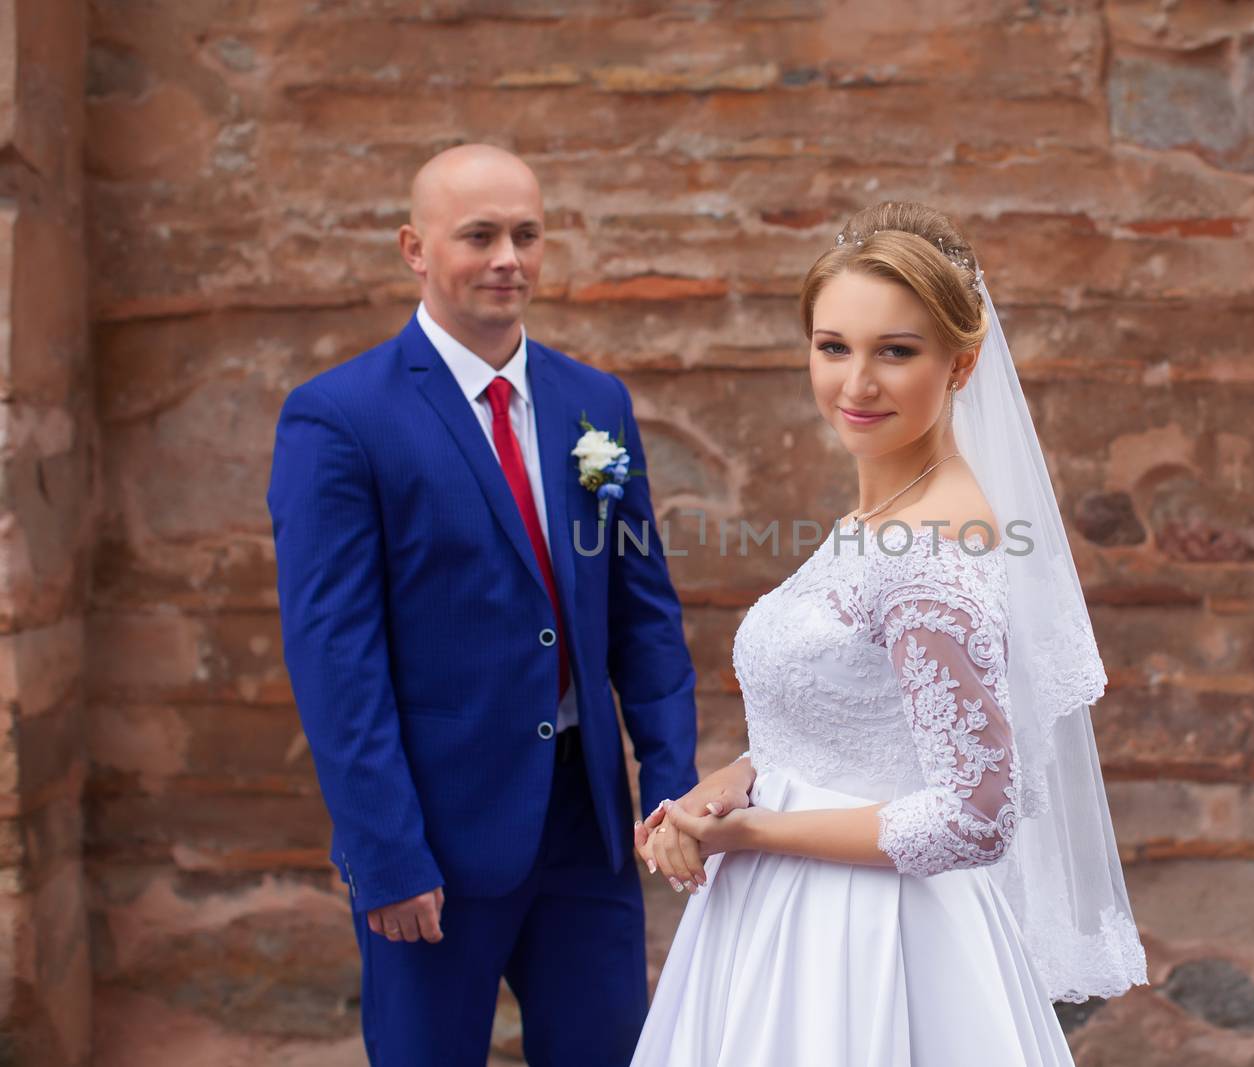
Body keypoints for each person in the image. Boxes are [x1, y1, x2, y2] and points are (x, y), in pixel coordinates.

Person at [630, 202, 1148, 1066]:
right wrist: (731, 782)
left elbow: (975, 815)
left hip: (871, 944)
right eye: (834, 347)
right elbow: (858, 716)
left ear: (962, 363)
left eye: (895, 352)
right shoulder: (884, 515)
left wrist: (752, 833)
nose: (856, 384)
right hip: (783, 919)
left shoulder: (930, 555)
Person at [267, 144, 752, 1067]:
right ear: (415, 248)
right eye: (478, 235)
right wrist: (387, 851)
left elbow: (641, 608)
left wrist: (669, 782)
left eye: (526, 235)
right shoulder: (338, 417)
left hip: (589, 824)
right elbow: (336, 659)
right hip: (435, 832)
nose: (508, 259)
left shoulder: (592, 403)